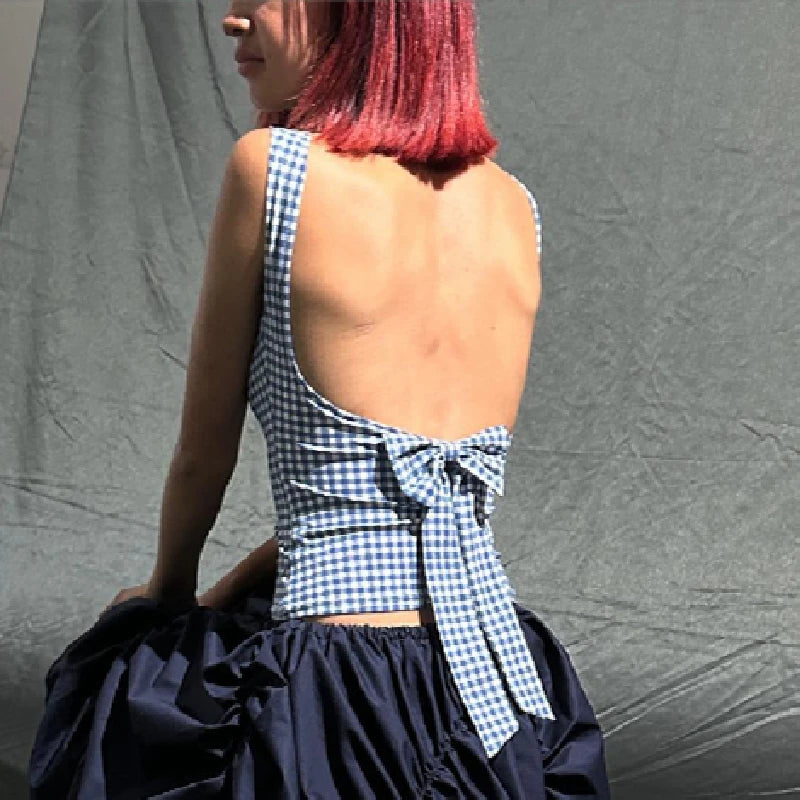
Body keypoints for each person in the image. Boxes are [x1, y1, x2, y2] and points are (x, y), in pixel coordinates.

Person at [27, 2, 611, 797]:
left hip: (335, 697)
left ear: (360, 16)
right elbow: (418, 508)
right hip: (497, 684)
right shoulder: (514, 207)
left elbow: (204, 458)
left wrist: (168, 589)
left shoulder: (275, 170)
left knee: (111, 707)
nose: (234, 19)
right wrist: (235, 585)